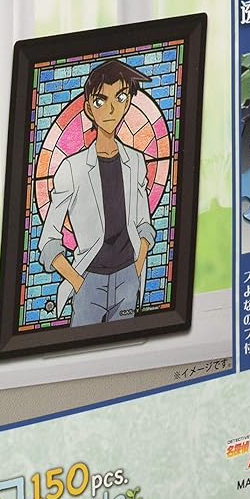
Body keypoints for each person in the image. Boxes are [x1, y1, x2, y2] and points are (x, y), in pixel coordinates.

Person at [38, 58, 156, 327]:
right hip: (89, 279)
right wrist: (77, 281)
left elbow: (144, 223)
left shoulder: (136, 161)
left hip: (128, 277)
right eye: (101, 101)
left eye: (120, 97)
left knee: (126, 345)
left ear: (128, 102)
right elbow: (48, 239)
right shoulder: (72, 168)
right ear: (89, 108)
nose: (111, 109)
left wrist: (138, 266)